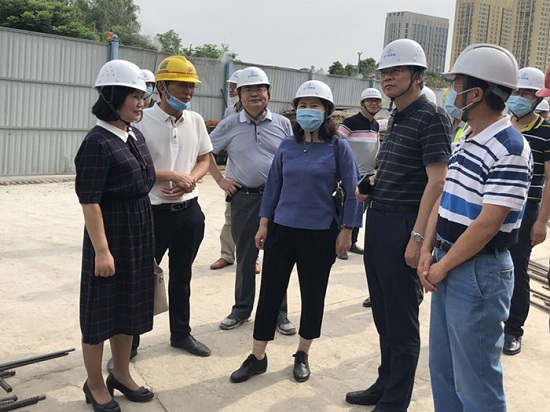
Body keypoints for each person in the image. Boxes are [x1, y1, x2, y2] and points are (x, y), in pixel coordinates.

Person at [418, 44, 532, 412]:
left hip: (478, 272)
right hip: (447, 259)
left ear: (476, 93)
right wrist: (427, 250)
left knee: (477, 383)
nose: (452, 93)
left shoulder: (511, 146)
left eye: (457, 85)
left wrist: (443, 265)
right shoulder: (466, 135)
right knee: (445, 371)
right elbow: (444, 197)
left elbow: (488, 224)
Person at [229, 80, 361, 384]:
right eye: (303, 105)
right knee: (270, 293)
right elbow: (273, 187)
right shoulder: (287, 146)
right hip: (282, 230)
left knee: (313, 295)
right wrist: (264, 223)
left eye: (314, 105)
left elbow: (354, 191)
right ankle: (257, 356)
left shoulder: (338, 147)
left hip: (320, 233)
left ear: (326, 111)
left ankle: (302, 353)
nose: (307, 111)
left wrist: (347, 230)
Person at [345, 39, 452, 411]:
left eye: (397, 71)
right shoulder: (394, 119)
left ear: (418, 76)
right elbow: (401, 169)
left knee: (402, 319)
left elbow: (437, 182)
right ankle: (385, 383)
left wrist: (418, 238)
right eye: (384, 72)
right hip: (379, 219)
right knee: (383, 313)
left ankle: (395, 402)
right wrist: (372, 183)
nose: (388, 78)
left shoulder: (432, 116)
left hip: (406, 223)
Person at [75, 59, 155, 412]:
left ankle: (121, 374)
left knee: (128, 309)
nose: (141, 103)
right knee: (99, 314)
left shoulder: (132, 134)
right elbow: (90, 201)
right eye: (133, 96)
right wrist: (103, 252)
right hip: (110, 235)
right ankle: (94, 384)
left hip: (137, 232)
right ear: (111, 97)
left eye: (142, 96)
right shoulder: (97, 142)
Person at [133, 55, 213, 357]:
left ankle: (181, 334)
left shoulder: (195, 121)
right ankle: (130, 344)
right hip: (152, 214)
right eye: (181, 85)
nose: (188, 92)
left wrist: (190, 179)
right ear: (162, 87)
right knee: (141, 279)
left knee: (182, 277)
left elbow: (205, 159)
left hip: (188, 213)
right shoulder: (141, 122)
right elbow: (133, 167)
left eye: (191, 86)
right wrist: (170, 176)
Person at [210, 67, 296, 335]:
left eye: (260, 89)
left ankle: (279, 313)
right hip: (245, 198)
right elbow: (204, 151)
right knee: (246, 256)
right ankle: (241, 310)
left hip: (279, 199)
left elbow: (293, 156)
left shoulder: (283, 124)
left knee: (278, 257)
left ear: (268, 93)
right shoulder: (230, 124)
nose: (255, 94)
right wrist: (221, 180)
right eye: (248, 90)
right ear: (240, 95)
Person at [504, 67, 550, 355]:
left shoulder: (546, 132)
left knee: (517, 269)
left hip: (526, 209)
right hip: (495, 206)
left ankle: (513, 329)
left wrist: (541, 222)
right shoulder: (502, 125)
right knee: (491, 265)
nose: (519, 97)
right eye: (516, 91)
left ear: (538, 98)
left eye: (527, 93)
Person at [210, 69, 260, 274]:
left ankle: (253, 257)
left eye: (234, 86)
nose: (230, 90)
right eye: (231, 87)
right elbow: (207, 148)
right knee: (231, 219)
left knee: (259, 223)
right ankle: (227, 255)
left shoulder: (264, 114)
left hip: (263, 186)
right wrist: (220, 179)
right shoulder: (230, 114)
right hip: (235, 180)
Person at [338, 87, 382, 308]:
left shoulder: (375, 125)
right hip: (351, 173)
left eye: (377, 101)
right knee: (348, 208)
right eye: (370, 101)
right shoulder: (351, 123)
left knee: (360, 210)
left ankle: (352, 242)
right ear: (362, 103)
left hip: (367, 174)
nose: (374, 104)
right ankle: (340, 246)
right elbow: (337, 143)